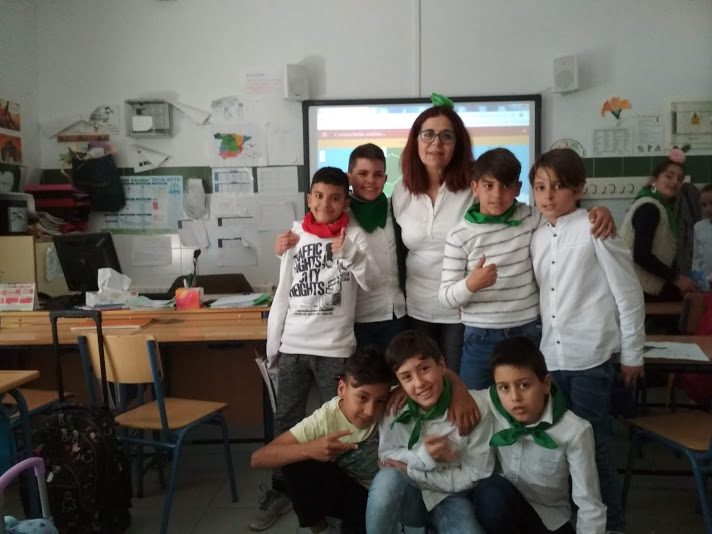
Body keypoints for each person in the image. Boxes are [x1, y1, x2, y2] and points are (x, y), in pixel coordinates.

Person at [250, 166, 380, 531]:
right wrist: (274, 347)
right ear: (309, 199)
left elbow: (372, 282)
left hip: (335, 349)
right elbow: (284, 289)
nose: (326, 204)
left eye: (335, 198)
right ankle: (281, 489)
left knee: (343, 420)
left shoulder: (355, 235)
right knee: (287, 420)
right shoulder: (295, 234)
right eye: (319, 196)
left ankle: (340, 492)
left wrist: (351, 253)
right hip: (293, 346)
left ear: (345, 202)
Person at [528, 148, 645, 533]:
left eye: (558, 187)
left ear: (578, 189)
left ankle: (612, 524)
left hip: (590, 359)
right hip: (551, 359)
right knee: (560, 447)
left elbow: (628, 293)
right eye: (540, 187)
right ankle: (577, 521)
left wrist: (633, 353)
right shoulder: (537, 236)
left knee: (592, 446)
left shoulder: (595, 228)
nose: (548, 196)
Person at [439, 148, 615, 389]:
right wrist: (471, 284)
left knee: (528, 403)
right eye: (488, 186)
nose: (497, 195)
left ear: (518, 188)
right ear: (475, 187)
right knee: (476, 403)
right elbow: (446, 297)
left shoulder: (531, 218)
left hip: (526, 333)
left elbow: (566, 218)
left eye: (506, 186)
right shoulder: (459, 236)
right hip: (480, 336)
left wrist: (600, 211)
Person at [275, 143, 407, 351]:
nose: (370, 181)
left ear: (385, 178)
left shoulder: (395, 209)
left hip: (395, 313)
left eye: (378, 175)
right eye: (362, 174)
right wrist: (281, 250)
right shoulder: (336, 214)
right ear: (349, 177)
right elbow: (310, 249)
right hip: (357, 319)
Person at [251, 346, 393, 534]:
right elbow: (258, 458)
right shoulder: (324, 419)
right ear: (341, 388)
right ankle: (321, 529)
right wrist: (310, 448)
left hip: (387, 493)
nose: (370, 411)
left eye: (380, 401)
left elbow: (428, 381)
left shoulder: (394, 400)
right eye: (362, 397)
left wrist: (401, 392)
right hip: (349, 493)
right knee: (293, 460)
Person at [474, 336, 607, 534]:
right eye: (504, 388)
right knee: (490, 493)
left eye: (524, 385)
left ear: (546, 384)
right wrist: (457, 387)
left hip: (549, 520)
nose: (515, 397)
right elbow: (452, 392)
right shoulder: (491, 404)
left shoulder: (575, 431)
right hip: (503, 509)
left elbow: (589, 502)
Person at [367, 330, 494, 534]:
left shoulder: (475, 408)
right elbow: (386, 457)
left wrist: (412, 470)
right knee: (387, 480)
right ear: (399, 383)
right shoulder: (394, 408)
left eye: (424, 369)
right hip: (410, 493)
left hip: (451, 497)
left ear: (441, 365)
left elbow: (475, 473)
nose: (419, 383)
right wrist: (424, 456)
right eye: (407, 377)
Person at [391, 94, 475, 372]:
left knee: (455, 379)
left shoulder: (474, 187)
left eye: (446, 136)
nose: (436, 143)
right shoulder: (402, 190)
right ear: (415, 140)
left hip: (462, 307)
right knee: (425, 381)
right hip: (417, 306)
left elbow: (509, 210)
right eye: (428, 134)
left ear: (457, 144)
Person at [620, 149, 699, 302]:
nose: (675, 182)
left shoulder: (659, 208)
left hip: (639, 287)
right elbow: (642, 256)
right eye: (669, 176)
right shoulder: (649, 208)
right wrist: (677, 279)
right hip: (639, 289)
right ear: (653, 181)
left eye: (679, 179)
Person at [692, 183, 712, 282]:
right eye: (704, 205)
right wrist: (696, 278)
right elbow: (696, 258)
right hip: (704, 283)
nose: (708, 209)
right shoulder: (698, 227)